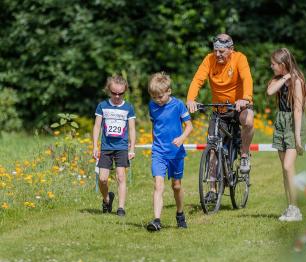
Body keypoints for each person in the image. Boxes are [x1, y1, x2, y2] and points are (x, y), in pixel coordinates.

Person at [186, 33, 254, 201]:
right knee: (213, 148)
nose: (218, 55)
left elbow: (247, 79)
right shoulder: (209, 60)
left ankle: (244, 155)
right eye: (216, 51)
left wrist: (245, 99)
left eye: (222, 52)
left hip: (238, 106)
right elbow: (197, 80)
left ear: (231, 50)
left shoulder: (240, 58)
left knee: (248, 119)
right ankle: (212, 189)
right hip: (219, 109)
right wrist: (190, 100)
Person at [266, 48, 306, 222]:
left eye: (274, 64)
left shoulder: (297, 81)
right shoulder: (280, 79)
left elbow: (298, 110)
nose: (271, 66)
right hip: (281, 122)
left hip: (293, 123)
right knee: (285, 171)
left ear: (282, 64)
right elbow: (270, 92)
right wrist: (284, 77)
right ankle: (290, 207)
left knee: (287, 166)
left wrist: (297, 137)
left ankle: (296, 210)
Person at [146, 72, 193, 231]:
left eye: (160, 96)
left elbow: (189, 126)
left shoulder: (178, 105)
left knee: (176, 186)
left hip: (176, 153)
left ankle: (180, 214)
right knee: (158, 186)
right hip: (158, 152)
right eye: (154, 97)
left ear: (169, 91)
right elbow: (155, 126)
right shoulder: (152, 106)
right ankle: (157, 220)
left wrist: (181, 138)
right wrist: (154, 144)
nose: (157, 100)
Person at [92, 75, 136, 217]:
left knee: (121, 177)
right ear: (108, 90)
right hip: (106, 147)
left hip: (121, 147)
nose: (117, 96)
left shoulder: (128, 108)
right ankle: (107, 199)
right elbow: (97, 126)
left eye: (120, 93)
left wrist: (132, 148)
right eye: (114, 93)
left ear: (125, 91)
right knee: (102, 179)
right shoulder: (102, 106)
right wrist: (95, 146)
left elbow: (132, 129)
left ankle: (121, 208)